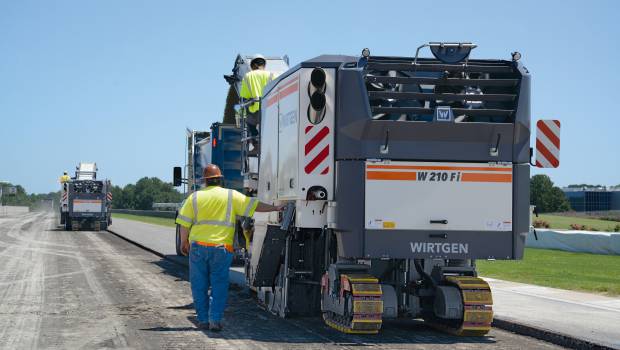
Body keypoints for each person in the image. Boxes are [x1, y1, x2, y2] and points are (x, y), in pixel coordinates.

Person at [176, 164, 281, 332]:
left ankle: (202, 320)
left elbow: (183, 223)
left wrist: (183, 242)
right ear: (220, 179)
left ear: (205, 181)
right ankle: (215, 320)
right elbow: (254, 206)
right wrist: (274, 208)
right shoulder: (231, 196)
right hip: (221, 249)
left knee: (198, 285)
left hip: (198, 249)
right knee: (219, 285)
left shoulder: (194, 198)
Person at [239, 55, 275, 149]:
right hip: (269, 108)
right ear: (264, 64)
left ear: (254, 65)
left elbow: (244, 96)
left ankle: (256, 144)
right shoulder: (271, 75)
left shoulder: (248, 76)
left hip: (254, 110)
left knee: (250, 124)